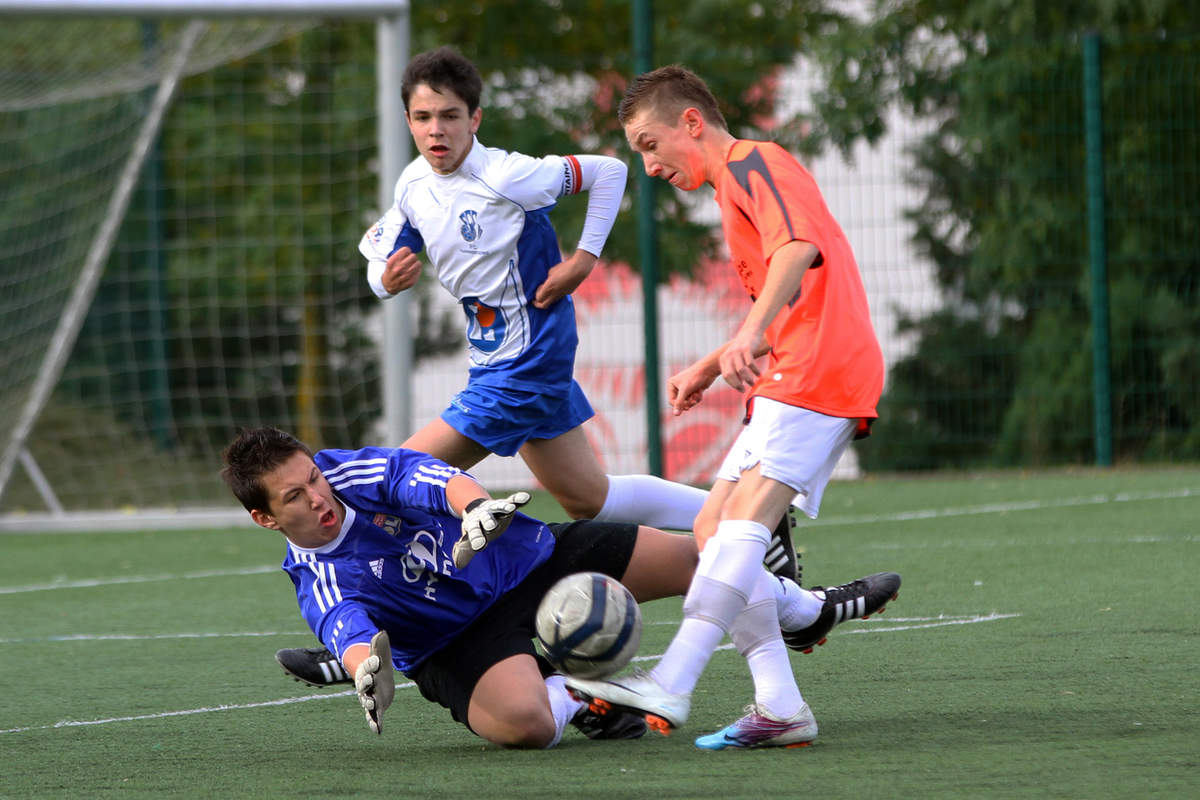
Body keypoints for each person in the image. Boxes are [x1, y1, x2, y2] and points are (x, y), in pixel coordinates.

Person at [269, 46, 799, 687]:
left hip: (524, 364)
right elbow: (377, 257)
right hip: (496, 364)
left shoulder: (509, 176)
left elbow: (607, 172)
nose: (436, 129)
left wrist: (584, 258)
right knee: (588, 497)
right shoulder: (414, 185)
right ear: (408, 120)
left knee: (390, 476)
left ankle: (357, 643)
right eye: (422, 116)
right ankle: (752, 520)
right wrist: (386, 280)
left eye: (450, 115)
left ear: (476, 119)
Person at [563, 66, 901, 750]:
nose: (650, 166)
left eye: (650, 145)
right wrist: (718, 362)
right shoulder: (731, 190)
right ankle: (780, 703)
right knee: (716, 530)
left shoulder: (755, 162)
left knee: (743, 525)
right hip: (793, 368)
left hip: (820, 369)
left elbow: (799, 249)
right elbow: (790, 286)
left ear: (692, 122)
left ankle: (673, 680)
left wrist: (747, 336)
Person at [221, 426, 823, 748]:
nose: (318, 496)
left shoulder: (348, 472)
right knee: (527, 728)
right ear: (266, 519)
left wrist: (476, 507)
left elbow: (421, 477)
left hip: (524, 562)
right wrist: (363, 671)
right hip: (457, 642)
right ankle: (583, 693)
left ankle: (802, 610)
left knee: (705, 558)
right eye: (294, 497)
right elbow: (345, 630)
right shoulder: (316, 579)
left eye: (313, 479)